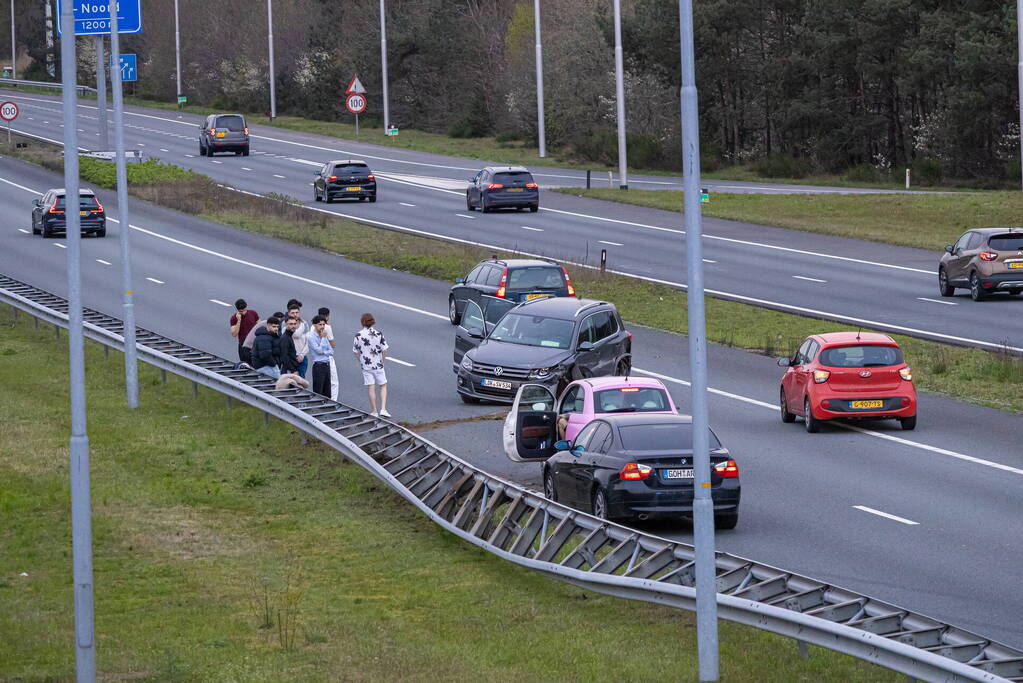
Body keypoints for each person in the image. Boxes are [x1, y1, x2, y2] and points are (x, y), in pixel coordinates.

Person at [353, 313, 389, 417]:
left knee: (371, 386)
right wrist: (382, 360)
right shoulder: (379, 334)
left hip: (366, 365)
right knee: (383, 385)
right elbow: (384, 349)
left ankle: (374, 411)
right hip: (378, 364)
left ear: (362, 322)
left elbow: (355, 351)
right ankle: (383, 409)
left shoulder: (358, 335)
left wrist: (361, 360)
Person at [306, 314, 334, 397]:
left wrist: (324, 350)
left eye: (323, 324)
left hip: (327, 364)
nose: (322, 327)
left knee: (327, 392)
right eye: (320, 324)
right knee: (318, 392)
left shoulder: (323, 334)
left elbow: (331, 351)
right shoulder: (310, 336)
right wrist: (323, 338)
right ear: (314, 325)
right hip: (318, 366)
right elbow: (319, 351)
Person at [285, 299, 310, 379]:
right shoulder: (285, 323)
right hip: (290, 357)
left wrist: (302, 355)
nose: (295, 315)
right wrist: (301, 324)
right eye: (293, 313)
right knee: (289, 381)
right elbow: (296, 335)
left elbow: (308, 341)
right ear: (288, 313)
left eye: (297, 312)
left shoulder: (305, 323)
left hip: (302, 357)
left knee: (301, 380)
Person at [319, 306, 340, 401]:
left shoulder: (313, 326)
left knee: (322, 381)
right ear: (327, 316)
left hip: (318, 357)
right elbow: (333, 344)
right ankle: (333, 401)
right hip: (327, 357)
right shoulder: (327, 327)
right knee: (334, 382)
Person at [229, 299, 259, 363]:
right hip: (243, 346)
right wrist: (239, 320)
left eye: (245, 310)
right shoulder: (234, 318)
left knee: (255, 364)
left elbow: (259, 326)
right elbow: (234, 334)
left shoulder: (253, 313)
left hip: (254, 345)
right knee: (245, 364)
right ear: (237, 310)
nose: (244, 312)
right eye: (241, 311)